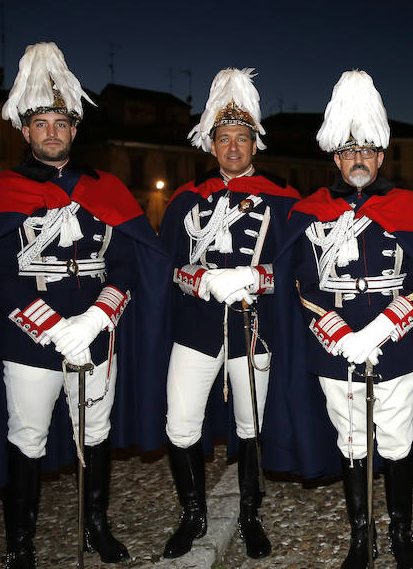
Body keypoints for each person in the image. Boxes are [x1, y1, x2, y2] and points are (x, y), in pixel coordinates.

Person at [0, 42, 170, 568]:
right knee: (27, 437)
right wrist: (47, 325)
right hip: (27, 341)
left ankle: (95, 527)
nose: (51, 132)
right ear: (24, 131)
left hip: (95, 336)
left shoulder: (106, 187)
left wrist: (95, 317)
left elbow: (132, 263)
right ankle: (20, 543)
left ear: (73, 129)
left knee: (95, 433)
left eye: (60, 122)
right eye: (40, 123)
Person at [275, 69, 413, 569]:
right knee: (352, 441)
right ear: (336, 157)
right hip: (335, 349)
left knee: (395, 439)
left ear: (381, 156)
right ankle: (361, 534)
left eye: (366, 150)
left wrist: (385, 327)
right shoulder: (310, 210)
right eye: (348, 151)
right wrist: (341, 334)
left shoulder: (407, 205)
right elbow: (301, 283)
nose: (357, 159)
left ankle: (401, 533)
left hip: (397, 344)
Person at [157, 68, 300, 560]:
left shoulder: (283, 200)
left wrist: (253, 279)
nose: (233, 147)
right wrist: (197, 279)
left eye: (242, 138)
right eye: (224, 138)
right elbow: (167, 265)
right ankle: (192, 513)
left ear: (254, 145)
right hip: (195, 328)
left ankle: (250, 513)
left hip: (252, 329)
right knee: (180, 422)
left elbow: (298, 268)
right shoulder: (185, 200)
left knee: (250, 424)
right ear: (211, 144)